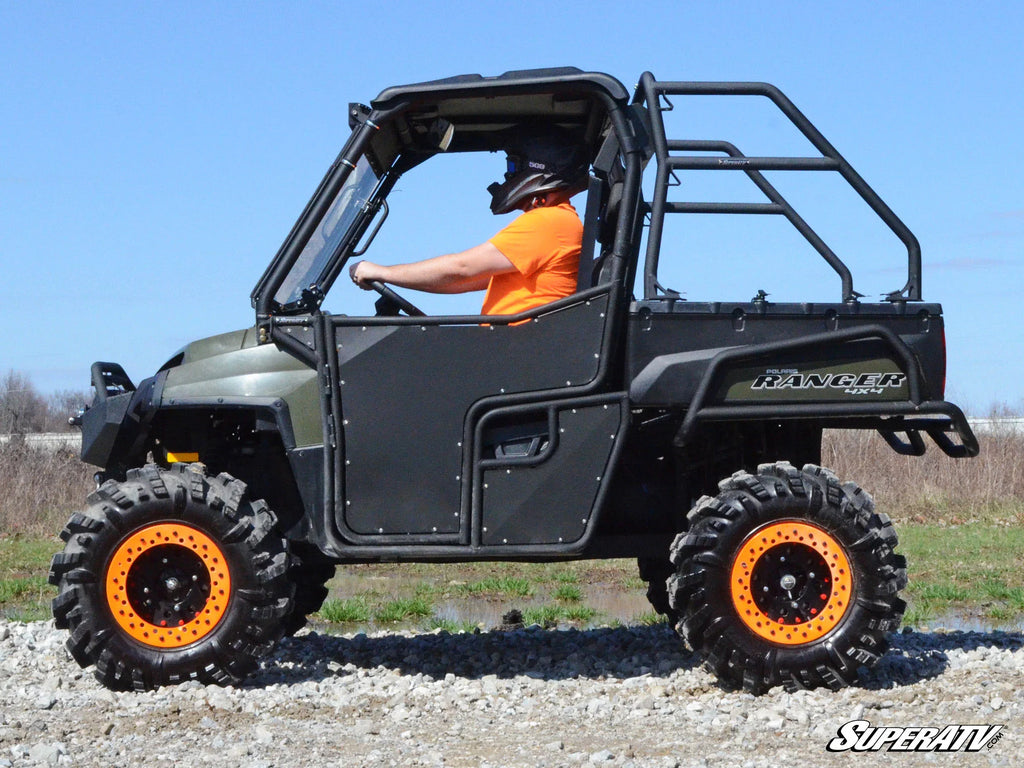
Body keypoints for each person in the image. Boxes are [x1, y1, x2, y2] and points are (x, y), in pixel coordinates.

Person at [348, 130, 588, 315]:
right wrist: (392, 279)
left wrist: (382, 272)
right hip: (513, 351)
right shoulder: (557, 223)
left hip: (518, 356)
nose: (508, 175)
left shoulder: (550, 221)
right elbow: (463, 279)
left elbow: (461, 268)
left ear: (539, 168)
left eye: (513, 165)